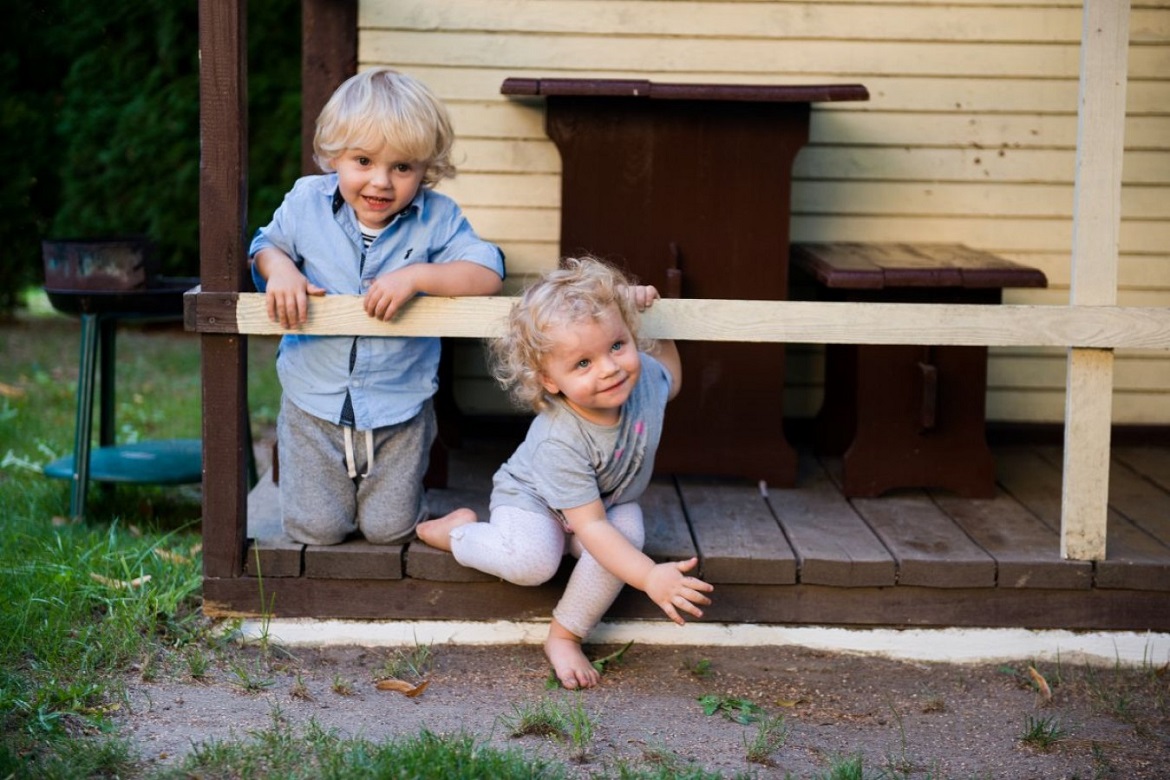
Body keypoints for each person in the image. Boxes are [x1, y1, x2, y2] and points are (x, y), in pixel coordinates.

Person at [417, 257, 713, 689]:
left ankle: (565, 634)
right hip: (533, 498)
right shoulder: (561, 438)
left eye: (616, 345)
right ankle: (457, 533)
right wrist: (650, 575)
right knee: (534, 561)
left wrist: (656, 320)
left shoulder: (644, 378)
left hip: (603, 499)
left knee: (625, 540)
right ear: (549, 381)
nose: (609, 368)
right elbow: (591, 528)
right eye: (582, 364)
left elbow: (674, 378)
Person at [249, 67, 505, 547]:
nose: (381, 182)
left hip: (399, 402)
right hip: (314, 397)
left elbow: (487, 270)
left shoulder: (438, 218)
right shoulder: (306, 201)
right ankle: (324, 497)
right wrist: (280, 270)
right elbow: (266, 245)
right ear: (333, 156)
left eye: (402, 167)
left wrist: (419, 276)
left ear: (425, 169)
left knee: (389, 531)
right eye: (363, 160)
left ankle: (424, 513)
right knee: (317, 531)